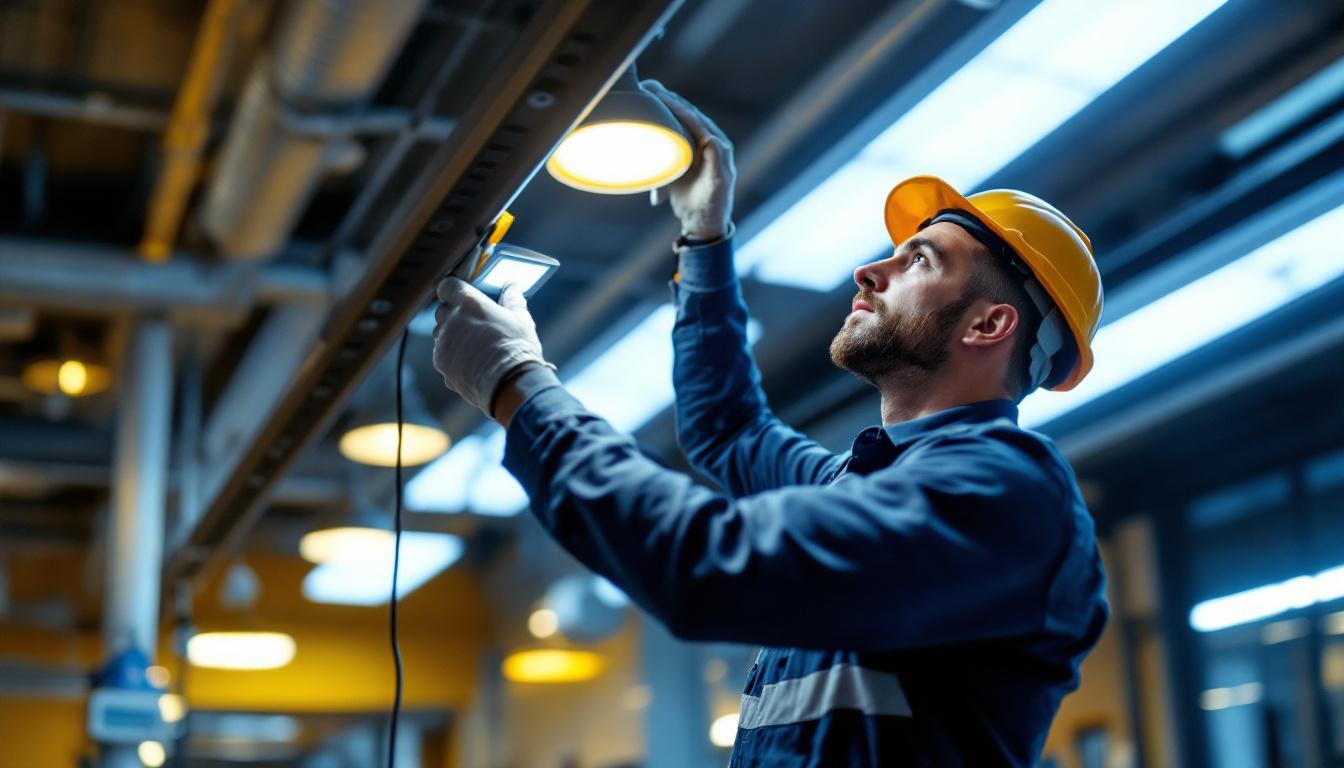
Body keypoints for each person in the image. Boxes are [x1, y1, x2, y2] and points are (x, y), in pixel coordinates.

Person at [431, 82, 1108, 766]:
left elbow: (706, 566)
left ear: (989, 323)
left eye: (919, 259)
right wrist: (705, 240)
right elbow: (727, 429)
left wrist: (520, 388)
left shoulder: (1005, 494)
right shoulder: (856, 484)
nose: (869, 270)